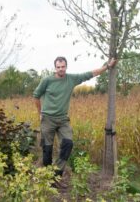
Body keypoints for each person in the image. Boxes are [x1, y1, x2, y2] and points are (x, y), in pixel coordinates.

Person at [33, 56, 117, 188]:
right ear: (55, 68)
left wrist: (107, 66)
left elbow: (90, 74)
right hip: (47, 119)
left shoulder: (71, 79)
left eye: (63, 66)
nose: (61, 69)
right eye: (58, 67)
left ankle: (56, 174)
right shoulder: (47, 80)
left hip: (63, 120)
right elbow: (36, 96)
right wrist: (40, 113)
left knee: (68, 143)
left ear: (66, 67)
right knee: (47, 151)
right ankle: (47, 180)